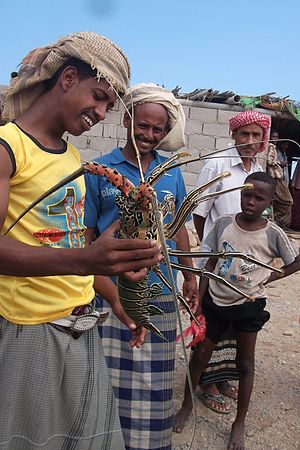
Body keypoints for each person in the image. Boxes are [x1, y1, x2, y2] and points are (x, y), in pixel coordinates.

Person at [0, 32, 161, 450]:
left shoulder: (72, 159)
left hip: (81, 324)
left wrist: (118, 297)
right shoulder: (8, 149)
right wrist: (88, 259)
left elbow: (76, 249)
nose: (102, 113)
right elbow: (78, 256)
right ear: (68, 77)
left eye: (109, 105)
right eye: (99, 96)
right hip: (29, 332)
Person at [84, 82, 199, 450]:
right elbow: (87, 236)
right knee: (105, 380)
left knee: (153, 382)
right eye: (143, 125)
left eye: (158, 129)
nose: (149, 135)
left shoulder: (172, 172)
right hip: (110, 292)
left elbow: (179, 225)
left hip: (159, 291)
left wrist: (190, 276)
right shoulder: (99, 169)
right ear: (127, 120)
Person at [173, 171, 300, 449]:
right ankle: (186, 405)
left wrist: (275, 275)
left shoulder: (273, 233)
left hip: (248, 306)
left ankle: (239, 422)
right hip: (215, 303)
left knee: (245, 363)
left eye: (258, 197)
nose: (251, 201)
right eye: (247, 194)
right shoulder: (223, 224)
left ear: (268, 202)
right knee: (200, 356)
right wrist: (199, 301)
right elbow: (208, 264)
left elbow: (295, 261)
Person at [192, 110, 268, 414]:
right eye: (243, 135)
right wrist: (212, 252)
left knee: (235, 327)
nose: (249, 141)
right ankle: (205, 383)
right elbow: (199, 213)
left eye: (255, 135)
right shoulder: (218, 165)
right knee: (212, 324)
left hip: (243, 270)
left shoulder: (257, 168)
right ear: (233, 135)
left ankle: (223, 378)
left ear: (263, 138)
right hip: (216, 266)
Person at [266, 129, 293, 228]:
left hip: (278, 177)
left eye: (276, 137)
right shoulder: (272, 147)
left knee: (277, 202)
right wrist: (278, 163)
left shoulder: (276, 148)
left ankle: (280, 223)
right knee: (287, 201)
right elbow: (269, 161)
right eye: (273, 137)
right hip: (276, 177)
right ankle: (282, 224)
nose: (275, 139)